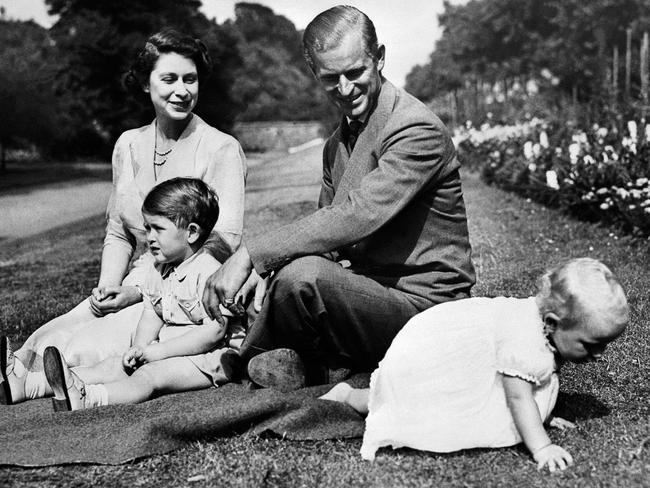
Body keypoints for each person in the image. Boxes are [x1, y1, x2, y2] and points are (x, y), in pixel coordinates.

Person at [201, 5, 475, 388]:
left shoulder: (415, 128)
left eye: (356, 72)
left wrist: (252, 256)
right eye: (331, 78)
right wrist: (267, 273)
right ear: (315, 73)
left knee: (303, 277)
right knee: (287, 275)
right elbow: (326, 240)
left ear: (379, 57)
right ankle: (308, 358)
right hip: (367, 295)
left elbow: (355, 216)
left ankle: (248, 360)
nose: (345, 89)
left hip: (427, 309)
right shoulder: (337, 144)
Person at [0, 29, 246, 405]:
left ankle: (61, 387)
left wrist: (137, 293)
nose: (182, 90)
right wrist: (107, 291)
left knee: (82, 347)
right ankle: (16, 381)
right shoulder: (127, 144)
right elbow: (118, 232)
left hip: (184, 290)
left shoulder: (221, 148)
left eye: (190, 79)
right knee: (57, 330)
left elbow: (223, 241)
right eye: (169, 79)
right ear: (146, 84)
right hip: (134, 280)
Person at [319, 258, 630, 472]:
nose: (600, 354)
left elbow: (537, 382)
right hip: (435, 361)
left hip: (465, 360)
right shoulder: (524, 340)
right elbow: (519, 397)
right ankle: (348, 395)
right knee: (409, 405)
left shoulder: (546, 331)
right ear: (551, 323)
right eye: (591, 345)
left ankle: (355, 395)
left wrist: (545, 414)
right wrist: (542, 446)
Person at [41, 178, 244, 410]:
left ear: (192, 233)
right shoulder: (159, 269)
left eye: (158, 228)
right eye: (147, 228)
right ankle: (32, 383)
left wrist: (157, 352)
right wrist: (138, 348)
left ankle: (88, 398)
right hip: (169, 349)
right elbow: (152, 313)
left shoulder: (211, 272)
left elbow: (214, 332)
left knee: (149, 375)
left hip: (213, 358)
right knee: (115, 364)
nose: (149, 237)